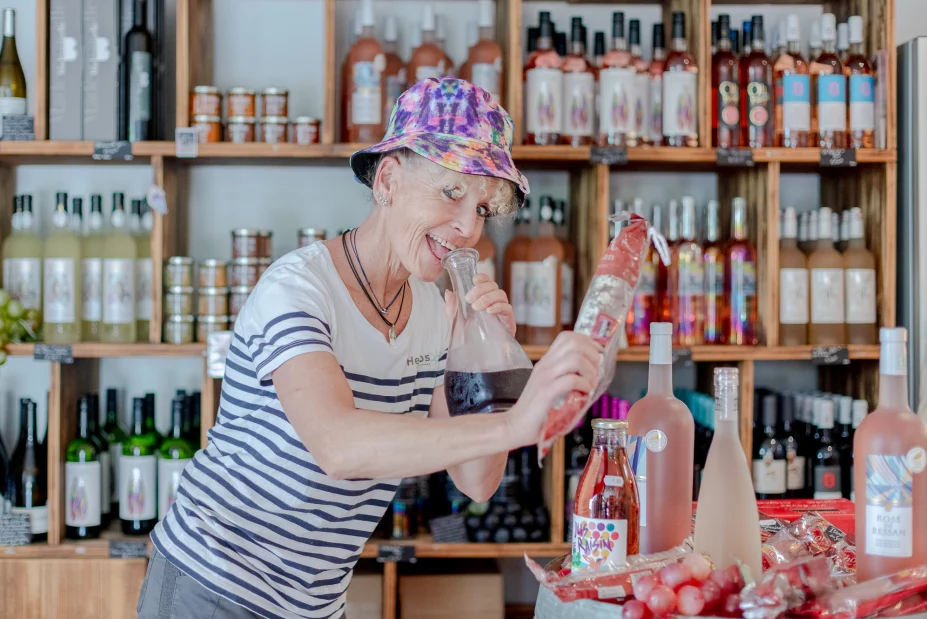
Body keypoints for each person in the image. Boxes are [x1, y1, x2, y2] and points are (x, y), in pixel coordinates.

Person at [138, 78, 602, 619]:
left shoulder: (432, 314)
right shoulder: (297, 289)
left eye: (481, 208)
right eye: (451, 193)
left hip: (312, 602)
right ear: (387, 181)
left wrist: (485, 356)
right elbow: (337, 446)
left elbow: (476, 481)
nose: (467, 227)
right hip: (212, 583)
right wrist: (520, 423)